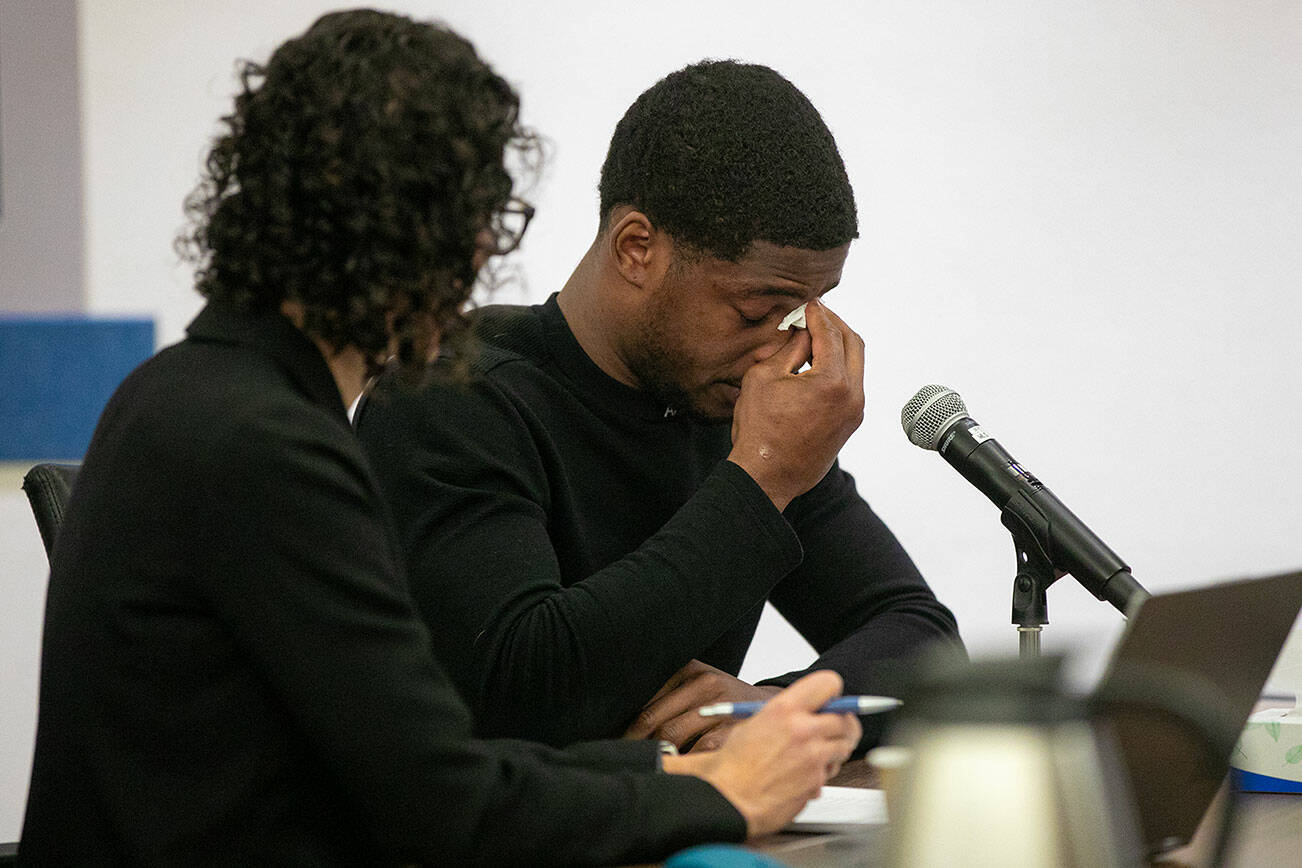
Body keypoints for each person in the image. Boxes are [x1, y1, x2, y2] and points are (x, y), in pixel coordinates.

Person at [18, 13, 861, 865]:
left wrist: (668, 763)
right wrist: (712, 791)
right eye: (482, 215)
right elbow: (444, 807)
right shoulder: (264, 448)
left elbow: (412, 769)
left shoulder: (183, 397)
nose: (488, 248)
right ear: (415, 233)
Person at [356, 59, 964, 755]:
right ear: (637, 248)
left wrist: (781, 710)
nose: (779, 352)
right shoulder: (449, 396)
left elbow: (923, 640)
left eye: (798, 313)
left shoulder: (726, 405)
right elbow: (518, 692)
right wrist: (762, 478)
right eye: (755, 312)